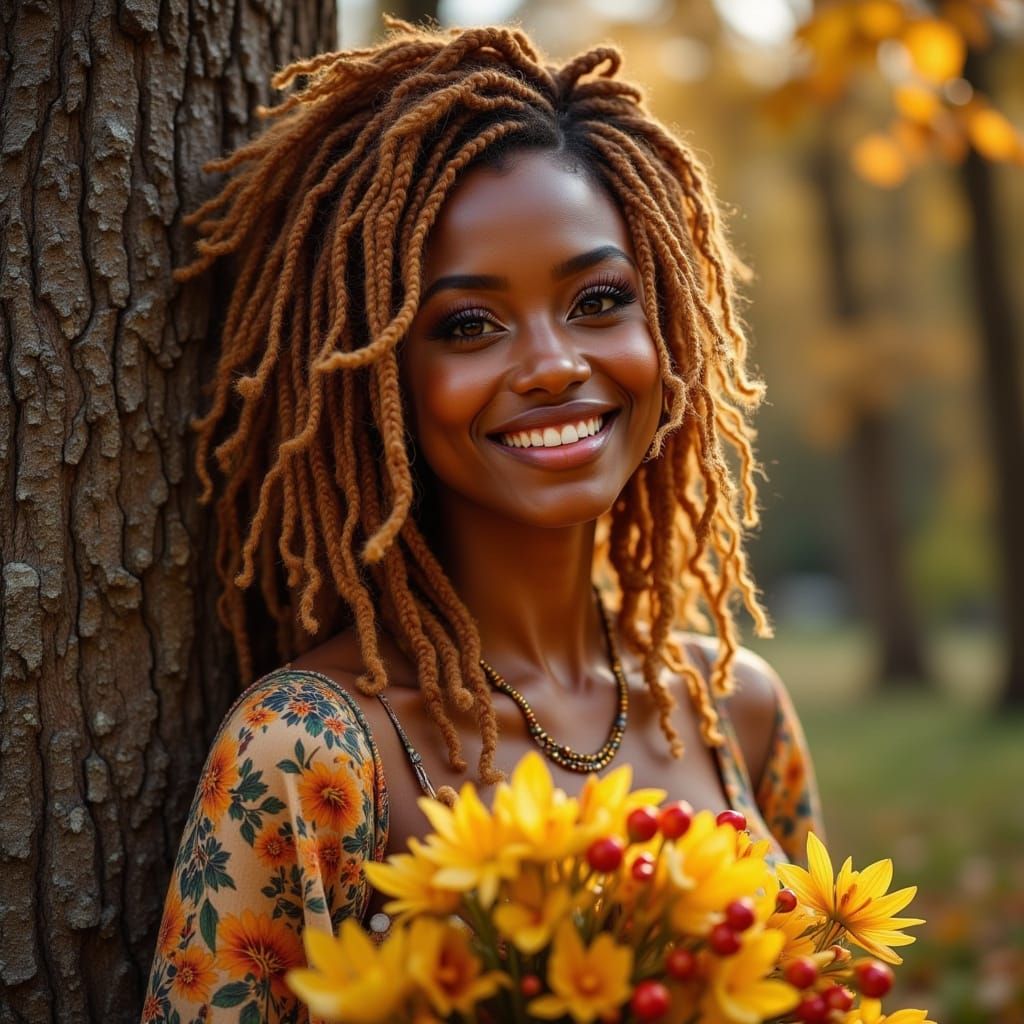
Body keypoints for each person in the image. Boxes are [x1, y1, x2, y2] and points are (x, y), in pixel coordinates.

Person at [142, 19, 823, 1023]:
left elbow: (827, 990)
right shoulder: (308, 751)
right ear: (374, 375)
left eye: (598, 299)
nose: (551, 363)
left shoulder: (738, 713)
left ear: (666, 322)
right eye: (468, 323)